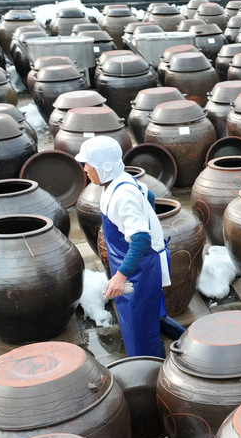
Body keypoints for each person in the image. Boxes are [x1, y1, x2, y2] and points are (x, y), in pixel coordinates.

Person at [76, 136, 186, 358]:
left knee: (140, 332)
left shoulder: (123, 195)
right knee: (153, 317)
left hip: (139, 271)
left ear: (103, 166)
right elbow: (150, 195)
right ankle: (195, 345)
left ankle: (152, 375)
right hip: (136, 266)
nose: (85, 168)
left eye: (88, 163)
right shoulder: (119, 181)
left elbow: (141, 240)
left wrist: (121, 276)